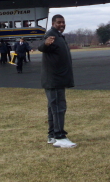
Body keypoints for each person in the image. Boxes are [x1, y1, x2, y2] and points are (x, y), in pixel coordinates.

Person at [38, 14, 76, 148]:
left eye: (63, 22)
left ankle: (52, 135)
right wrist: (45, 44)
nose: (62, 24)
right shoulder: (51, 35)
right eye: (59, 22)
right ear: (53, 23)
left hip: (57, 79)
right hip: (54, 80)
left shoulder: (59, 36)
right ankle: (60, 136)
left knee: (53, 108)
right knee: (59, 107)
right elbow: (42, 47)